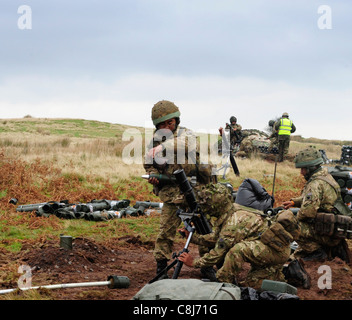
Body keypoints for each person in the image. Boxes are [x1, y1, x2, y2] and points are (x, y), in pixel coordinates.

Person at [143, 100, 216, 280]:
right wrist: (153, 174)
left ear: (176, 120)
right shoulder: (153, 141)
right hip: (171, 194)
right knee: (165, 233)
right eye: (162, 124)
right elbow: (148, 164)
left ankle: (207, 267)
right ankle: (161, 268)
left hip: (194, 191)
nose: (167, 126)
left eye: (170, 122)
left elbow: (186, 144)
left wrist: (162, 147)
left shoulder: (186, 134)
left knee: (204, 230)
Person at [179, 206, 300, 289]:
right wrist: (193, 237)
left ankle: (224, 285)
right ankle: (289, 273)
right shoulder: (233, 212)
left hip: (275, 251)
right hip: (275, 249)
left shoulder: (232, 223)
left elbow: (217, 253)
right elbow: (217, 239)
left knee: (238, 250)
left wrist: (193, 262)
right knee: (252, 283)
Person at [282, 146, 351, 262]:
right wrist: (295, 202)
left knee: (289, 225)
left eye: (303, 169)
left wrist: (292, 217)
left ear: (311, 168)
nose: (301, 172)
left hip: (325, 233)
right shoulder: (326, 177)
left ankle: (316, 251)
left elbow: (307, 213)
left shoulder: (315, 184)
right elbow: (318, 199)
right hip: (332, 230)